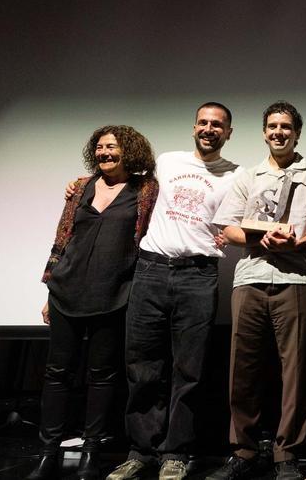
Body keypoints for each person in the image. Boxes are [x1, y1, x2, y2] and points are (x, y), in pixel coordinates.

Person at [104, 103, 240, 480]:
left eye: (218, 125)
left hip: (198, 275)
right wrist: (81, 183)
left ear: (228, 133)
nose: (209, 128)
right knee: (143, 365)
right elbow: (118, 177)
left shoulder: (236, 175)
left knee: (189, 370)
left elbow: (242, 219)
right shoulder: (167, 161)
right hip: (150, 269)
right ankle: (140, 451)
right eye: (203, 122)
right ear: (194, 127)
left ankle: (176, 454)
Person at [209, 102, 306, 480]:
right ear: (264, 132)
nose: (278, 132)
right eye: (272, 126)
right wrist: (260, 237)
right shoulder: (249, 176)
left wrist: (299, 244)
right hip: (250, 278)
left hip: (297, 281)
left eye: (285, 126)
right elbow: (228, 228)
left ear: (297, 132)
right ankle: (244, 450)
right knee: (242, 370)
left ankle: (288, 453)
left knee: (295, 372)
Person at [30, 125, 158, 480]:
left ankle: (91, 450)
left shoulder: (145, 189)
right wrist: (49, 289)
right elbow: (63, 237)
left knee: (102, 376)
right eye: (99, 148)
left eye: (112, 147)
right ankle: (47, 451)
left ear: (129, 151)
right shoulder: (81, 187)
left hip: (114, 294)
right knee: (58, 374)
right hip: (67, 290)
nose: (104, 153)